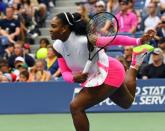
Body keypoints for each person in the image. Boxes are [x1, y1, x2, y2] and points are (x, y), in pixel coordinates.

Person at [49, 12, 155, 131]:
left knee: (76, 106)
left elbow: (114, 39)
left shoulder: (86, 40)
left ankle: (136, 56)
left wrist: (138, 41)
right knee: (127, 103)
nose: (50, 30)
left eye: (54, 26)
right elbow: (64, 72)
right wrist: (74, 78)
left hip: (110, 72)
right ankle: (135, 62)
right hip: (95, 75)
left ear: (64, 28)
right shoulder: (57, 47)